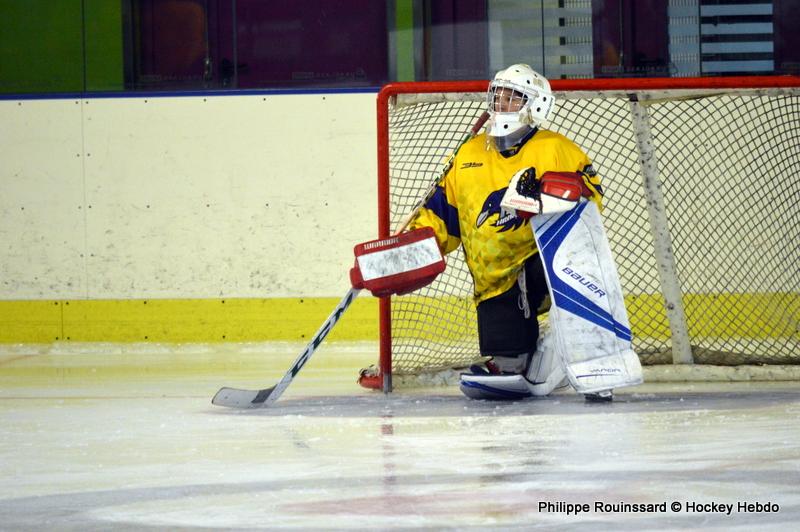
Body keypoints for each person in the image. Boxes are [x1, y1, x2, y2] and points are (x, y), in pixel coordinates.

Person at [408, 64, 606, 401]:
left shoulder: (555, 148)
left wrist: (545, 198)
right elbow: (443, 212)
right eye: (497, 95)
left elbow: (590, 199)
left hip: (543, 261)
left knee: (543, 283)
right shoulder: (468, 152)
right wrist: (412, 246)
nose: (501, 103)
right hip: (491, 274)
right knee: (508, 361)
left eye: (513, 97)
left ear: (536, 104)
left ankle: (584, 353)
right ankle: (519, 359)